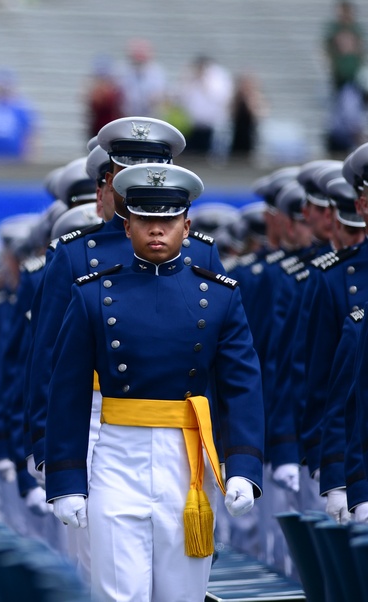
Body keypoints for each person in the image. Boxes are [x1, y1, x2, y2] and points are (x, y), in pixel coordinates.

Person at [45, 163, 263, 601]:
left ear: (187, 225)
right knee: (116, 592)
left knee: (181, 592)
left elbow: (241, 386)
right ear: (127, 226)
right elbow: (66, 392)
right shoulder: (92, 294)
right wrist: (66, 480)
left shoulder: (219, 295)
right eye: (146, 219)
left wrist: (243, 466)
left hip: (186, 463)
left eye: (167, 220)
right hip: (116, 455)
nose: (157, 230)